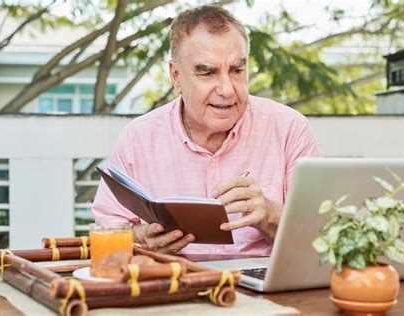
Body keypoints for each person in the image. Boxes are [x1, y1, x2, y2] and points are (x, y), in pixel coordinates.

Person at [91, 5, 319, 257]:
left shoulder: (289, 128)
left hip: (264, 284)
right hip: (173, 284)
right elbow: (108, 231)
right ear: (176, 76)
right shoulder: (137, 138)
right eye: (207, 72)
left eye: (236, 70)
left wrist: (270, 215)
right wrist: (140, 240)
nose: (227, 89)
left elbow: (321, 238)